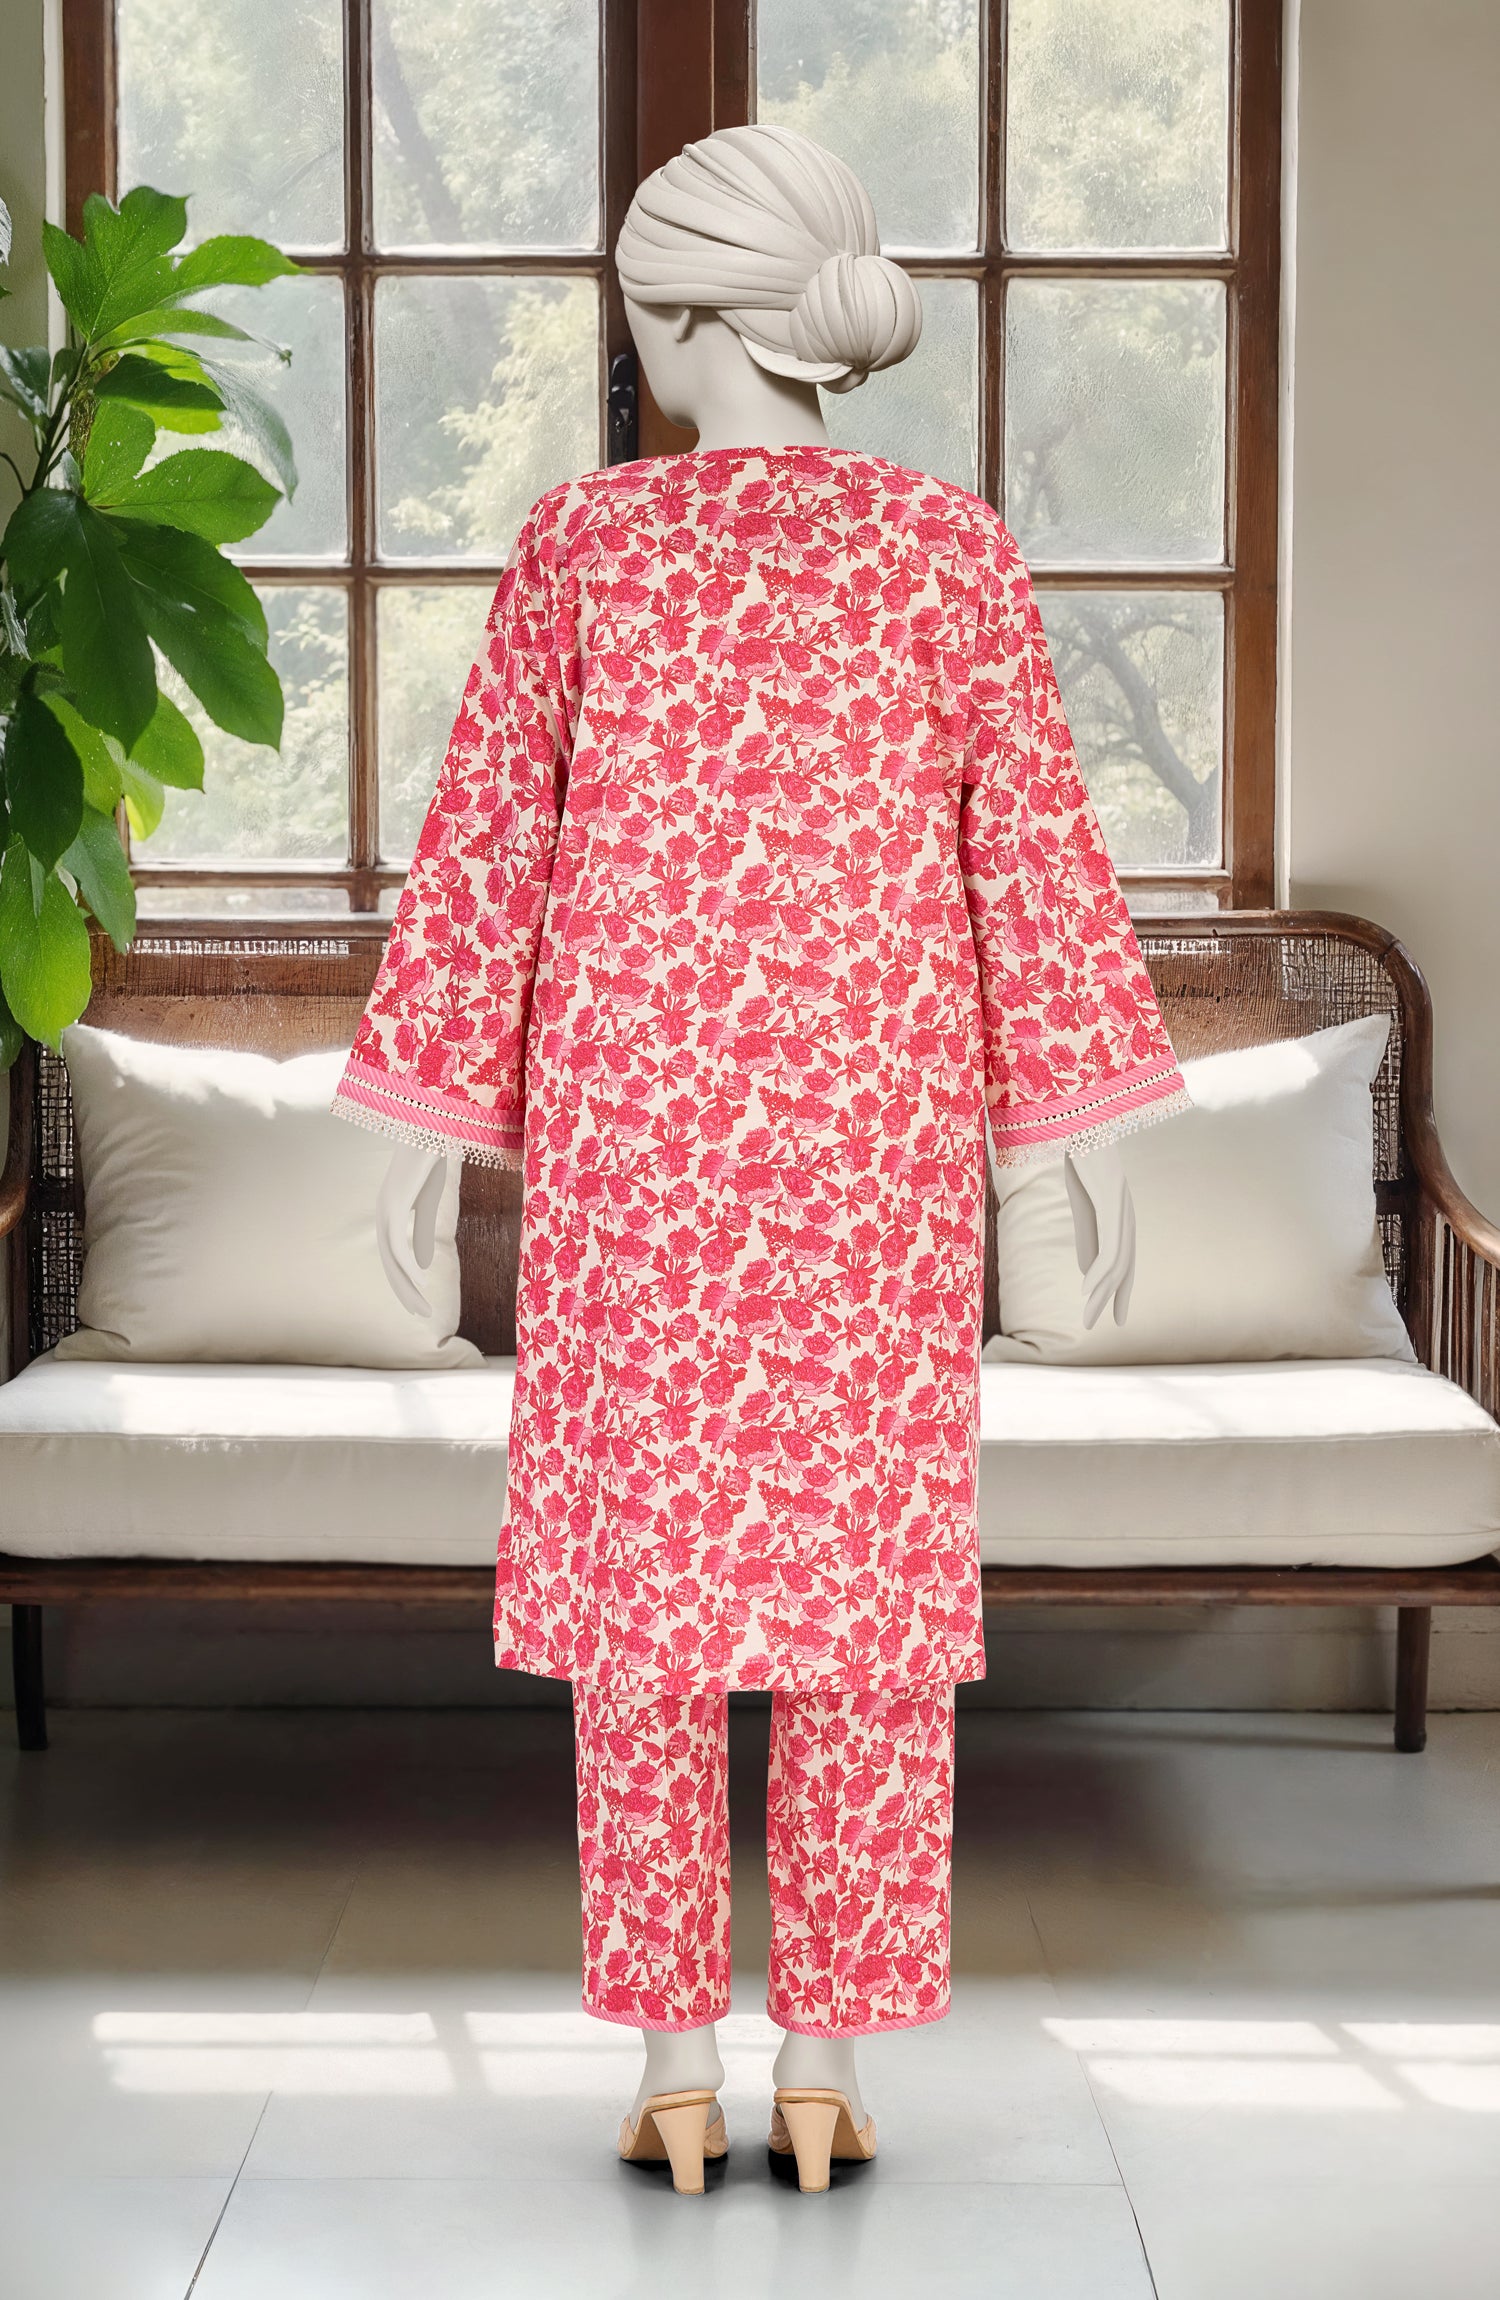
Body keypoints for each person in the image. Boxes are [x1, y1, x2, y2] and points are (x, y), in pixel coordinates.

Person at [333, 124, 1190, 2196]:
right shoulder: (950, 552)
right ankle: (824, 2061)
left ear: (681, 317)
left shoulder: (584, 545)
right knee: (862, 1606)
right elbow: (1033, 868)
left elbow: (489, 860)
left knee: (648, 1609)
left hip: (638, 1153)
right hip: (872, 1150)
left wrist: (415, 1136)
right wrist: (1072, 1146)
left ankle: (668, 2063)